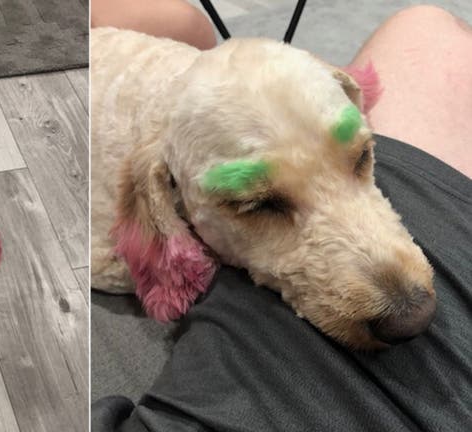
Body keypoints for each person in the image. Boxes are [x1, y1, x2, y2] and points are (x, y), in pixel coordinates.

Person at [91, 3, 472, 431]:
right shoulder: (144, 188)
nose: (412, 307)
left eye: (360, 156)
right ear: (164, 198)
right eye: (262, 203)